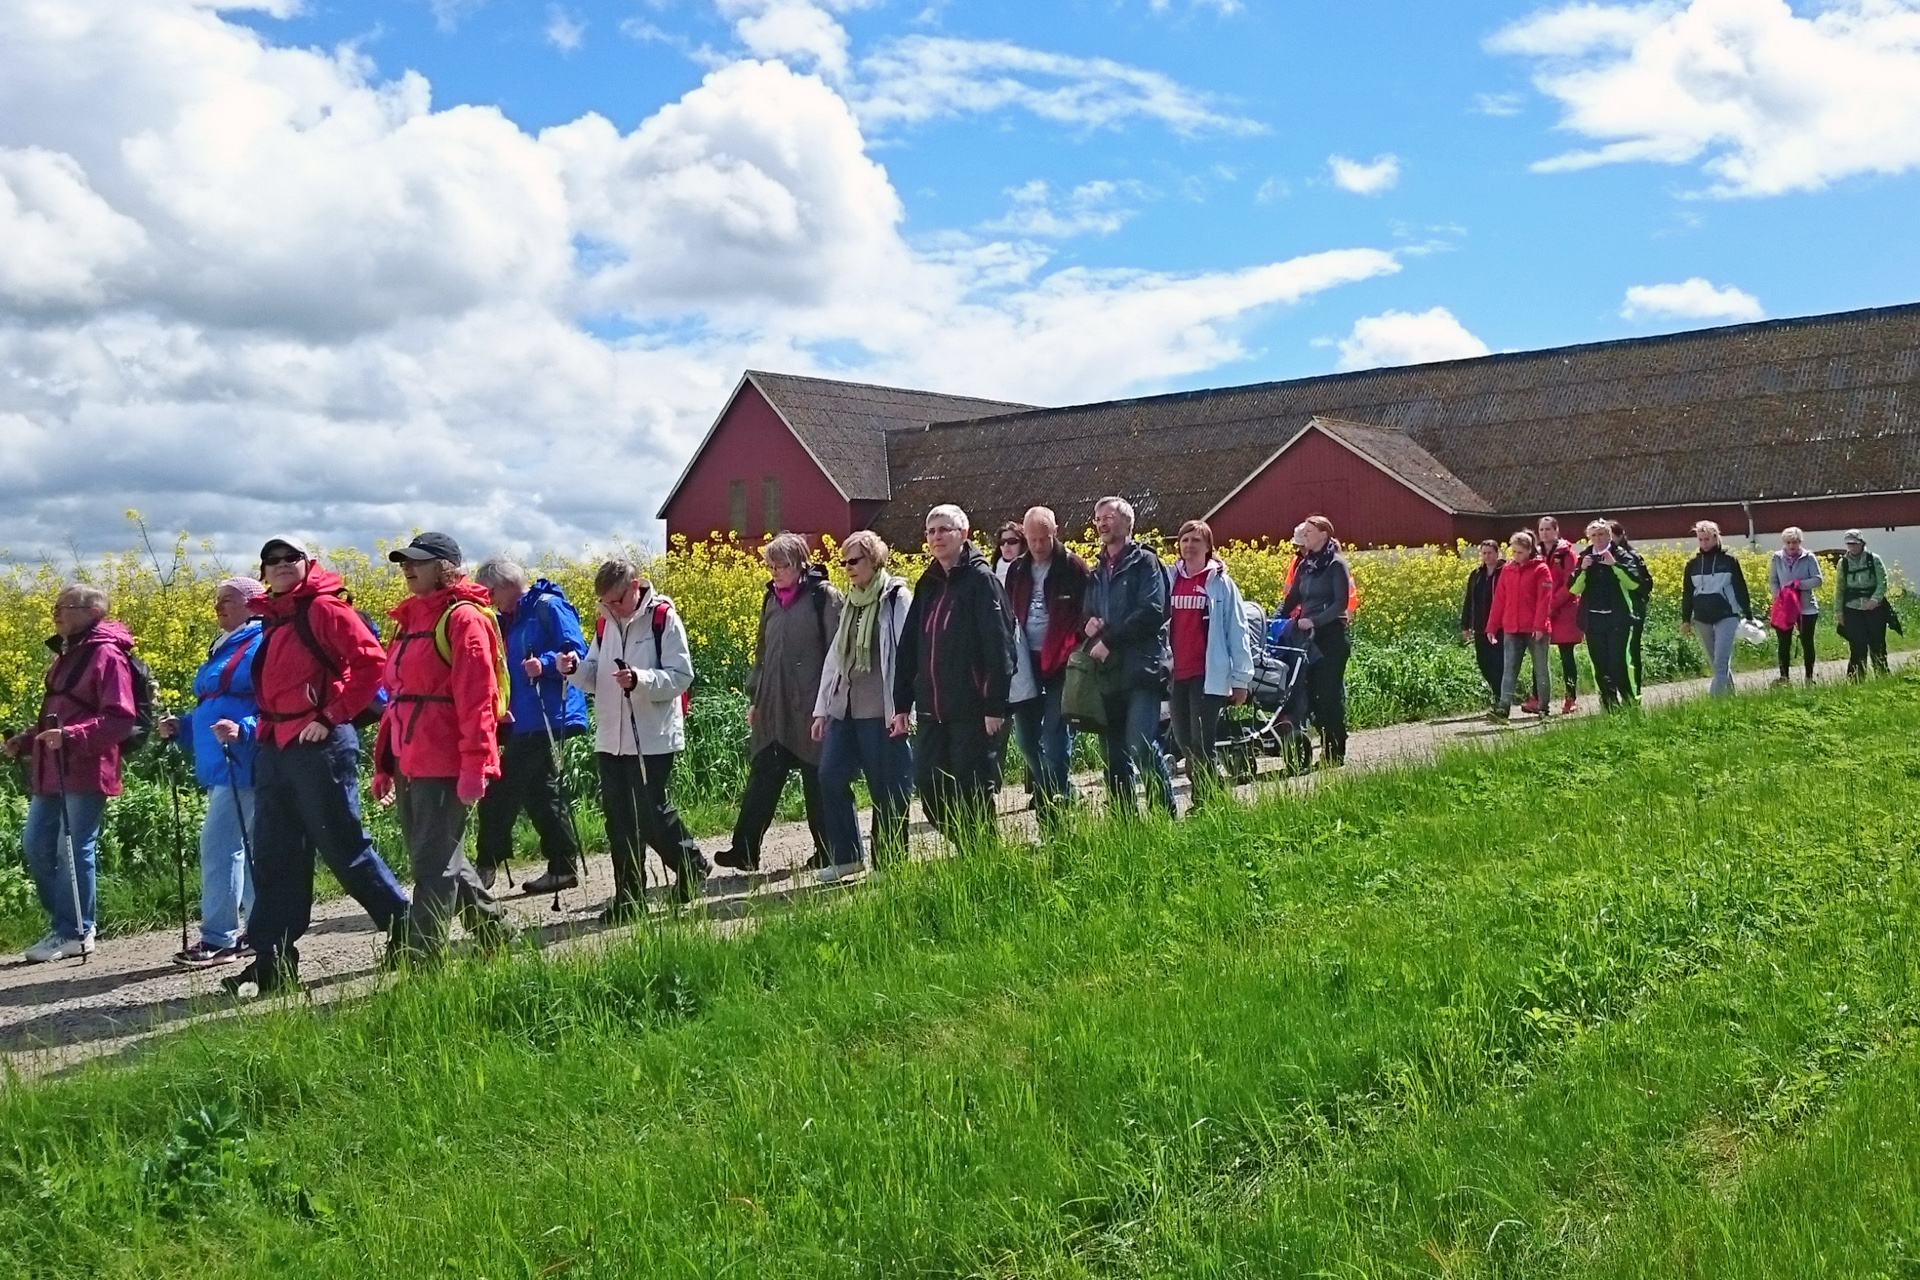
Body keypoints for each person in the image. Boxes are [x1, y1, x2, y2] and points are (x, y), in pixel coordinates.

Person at [225, 539, 409, 996]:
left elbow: (372, 665)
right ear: (264, 571)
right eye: (274, 560)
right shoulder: (273, 616)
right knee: (274, 855)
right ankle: (273, 962)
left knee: (342, 846)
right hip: (277, 746)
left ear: (308, 565)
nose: (283, 565)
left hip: (319, 745)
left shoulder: (324, 609)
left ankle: (407, 930)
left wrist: (330, 716)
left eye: (293, 559)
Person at [372, 534, 513, 963]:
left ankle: (424, 965)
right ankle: (494, 931)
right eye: (404, 563)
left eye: (418, 561)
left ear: (446, 566)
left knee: (432, 865)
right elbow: (396, 696)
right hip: (410, 757)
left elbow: (477, 699)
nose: (408, 568)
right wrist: (384, 762)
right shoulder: (410, 617)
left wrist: (476, 765)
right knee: (440, 853)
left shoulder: (464, 618)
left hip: (447, 758)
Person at [560, 558, 710, 917]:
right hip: (611, 736)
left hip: (652, 735)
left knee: (650, 812)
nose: (611, 608)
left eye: (616, 600)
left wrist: (640, 680)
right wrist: (575, 670)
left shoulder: (662, 618)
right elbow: (596, 676)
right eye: (605, 603)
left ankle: (690, 864)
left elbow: (681, 676)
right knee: (618, 819)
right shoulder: (605, 623)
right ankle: (629, 899)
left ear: (635, 586)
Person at [2, 584, 136, 963]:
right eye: (55, 605)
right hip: (52, 767)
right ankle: (66, 922)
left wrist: (72, 736)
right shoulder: (67, 653)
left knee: (73, 848)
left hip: (86, 766)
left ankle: (75, 930)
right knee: (36, 845)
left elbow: (120, 718)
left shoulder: (107, 655)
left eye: (65, 606)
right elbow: (61, 712)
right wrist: (28, 741)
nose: (56, 612)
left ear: (93, 611)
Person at [713, 533, 842, 873]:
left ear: (800, 563)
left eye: (780, 565)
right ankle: (744, 850)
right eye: (769, 565)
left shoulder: (823, 597)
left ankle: (829, 851)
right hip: (773, 702)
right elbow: (761, 652)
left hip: (810, 705)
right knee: (763, 775)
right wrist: (755, 697)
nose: (774, 572)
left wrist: (829, 705)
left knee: (817, 778)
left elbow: (837, 653)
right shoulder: (771, 598)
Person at [890, 504, 1015, 849]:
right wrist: (902, 704)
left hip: (971, 710)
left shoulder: (981, 581)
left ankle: (984, 860)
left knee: (973, 790)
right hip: (932, 710)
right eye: (931, 531)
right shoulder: (928, 584)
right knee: (929, 787)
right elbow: (910, 647)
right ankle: (971, 848)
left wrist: (995, 705)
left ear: (964, 534)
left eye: (944, 529)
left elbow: (1000, 646)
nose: (936, 537)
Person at [155, 577, 265, 967]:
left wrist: (246, 729)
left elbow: (269, 702)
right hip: (225, 759)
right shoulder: (228, 644)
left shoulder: (258, 643)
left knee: (220, 847)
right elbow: (218, 706)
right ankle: (257, 931)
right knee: (248, 849)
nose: (219, 607)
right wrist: (185, 727)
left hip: (243, 758)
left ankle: (220, 939)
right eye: (217, 600)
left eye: (229, 600)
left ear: (254, 605)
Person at [473, 557, 587, 896]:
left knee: (499, 789)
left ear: (507, 584)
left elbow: (576, 651)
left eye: (491, 591)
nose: (489, 598)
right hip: (520, 718)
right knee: (540, 793)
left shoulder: (548, 606)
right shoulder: (507, 619)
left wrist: (547, 663)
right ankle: (562, 865)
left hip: (547, 715)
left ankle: (486, 864)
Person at [811, 531, 913, 880]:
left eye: (854, 561)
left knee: (887, 785)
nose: (847, 568)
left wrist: (904, 709)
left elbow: (907, 654)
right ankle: (847, 856)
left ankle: (891, 861)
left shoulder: (895, 598)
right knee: (829, 774)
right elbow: (835, 658)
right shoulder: (851, 602)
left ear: (874, 560)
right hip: (846, 708)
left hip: (881, 710)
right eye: (844, 562)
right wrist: (822, 709)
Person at [1082, 496, 1175, 815]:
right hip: (1108, 674)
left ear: (1126, 523)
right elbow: (1088, 610)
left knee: (1140, 746)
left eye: (1108, 517)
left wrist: (1109, 639)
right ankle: (1126, 823)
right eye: (1098, 519)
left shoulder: (1145, 563)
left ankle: (1164, 814)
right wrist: (1088, 623)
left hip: (1141, 669)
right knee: (1113, 755)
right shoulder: (1096, 571)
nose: (1101, 523)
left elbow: (1152, 611)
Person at [1002, 505, 1089, 827]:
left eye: (1044, 538)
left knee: (1054, 737)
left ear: (1055, 533)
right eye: (1033, 539)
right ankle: (1060, 788)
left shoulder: (1072, 567)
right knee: (1025, 741)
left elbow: (1087, 610)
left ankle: (1055, 807)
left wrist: (1075, 642)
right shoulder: (1017, 570)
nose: (1038, 545)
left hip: (1061, 664)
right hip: (1027, 663)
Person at [1165, 520, 1252, 808]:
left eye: (1196, 540)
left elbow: (1237, 630)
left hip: (1208, 675)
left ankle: (1204, 802)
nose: (1189, 545)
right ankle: (1216, 795)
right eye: (1185, 539)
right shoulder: (1170, 579)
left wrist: (1240, 680)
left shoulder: (1220, 583)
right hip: (1177, 674)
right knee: (1185, 741)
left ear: (1208, 547)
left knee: (1202, 743)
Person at [1279, 515, 1353, 766]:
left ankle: (1335, 750)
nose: (1305, 537)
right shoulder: (1305, 565)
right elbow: (1292, 599)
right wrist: (1274, 619)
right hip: (1307, 639)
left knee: (1328, 694)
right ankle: (1325, 740)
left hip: (1331, 635)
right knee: (1309, 693)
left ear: (1323, 535)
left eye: (1309, 532)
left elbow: (1340, 604)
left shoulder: (1336, 565)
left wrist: (1315, 620)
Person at [1571, 520, 1650, 710]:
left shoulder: (1622, 555)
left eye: (1601, 534)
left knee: (1619, 664)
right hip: (1593, 620)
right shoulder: (1585, 557)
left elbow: (1635, 584)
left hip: (1619, 619)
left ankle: (1632, 704)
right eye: (1594, 535)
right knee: (1600, 667)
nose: (1598, 539)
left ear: (1609, 536)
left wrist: (1614, 565)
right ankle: (1609, 705)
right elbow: (1574, 589)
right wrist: (1583, 570)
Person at [1679, 519, 1753, 697]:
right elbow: (1688, 593)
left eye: (1707, 539)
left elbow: (1740, 587)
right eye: (1700, 539)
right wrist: (1686, 619)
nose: (1704, 543)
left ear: (1715, 537)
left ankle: (1714, 701)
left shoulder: (1729, 561)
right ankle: (1731, 697)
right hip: (1702, 616)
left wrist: (1748, 614)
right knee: (1716, 663)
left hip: (1727, 615)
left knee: (1721, 662)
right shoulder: (1692, 565)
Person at [1486, 531, 1554, 721]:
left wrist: (1540, 626)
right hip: (1512, 628)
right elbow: (1499, 599)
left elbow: (1544, 600)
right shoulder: (1508, 570)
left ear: (1529, 550)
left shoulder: (1541, 569)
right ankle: (1503, 709)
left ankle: (1543, 708)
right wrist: (1492, 626)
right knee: (1509, 669)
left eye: (1520, 553)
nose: (1516, 556)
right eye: (1513, 552)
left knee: (1540, 668)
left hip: (1535, 629)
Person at [1536, 516, 1582, 714]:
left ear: (1556, 530)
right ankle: (1536, 697)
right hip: (1543, 611)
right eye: (1541, 529)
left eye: (1548, 529)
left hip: (1565, 611)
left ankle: (1570, 697)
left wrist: (1552, 603)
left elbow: (1571, 584)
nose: (1544, 533)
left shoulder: (1567, 554)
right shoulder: (1536, 554)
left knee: (1566, 655)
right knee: (1538, 655)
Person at [1768, 527, 1823, 686]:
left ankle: (1809, 677)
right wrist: (1779, 595)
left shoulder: (1809, 557)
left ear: (1800, 542)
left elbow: (1818, 580)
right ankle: (1784, 677)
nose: (1792, 546)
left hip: (1806, 607)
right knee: (1783, 642)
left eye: (1795, 542)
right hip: (1785, 607)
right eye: (1789, 542)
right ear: (1784, 543)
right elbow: (1773, 580)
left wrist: (1798, 585)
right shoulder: (1777, 558)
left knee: (1807, 641)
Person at [1835, 529, 1892, 678]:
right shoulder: (1843, 563)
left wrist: (1875, 600)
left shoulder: (1873, 559)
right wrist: (1839, 612)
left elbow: (1883, 581)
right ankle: (1856, 680)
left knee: (1877, 644)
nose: (1852, 547)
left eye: (1854, 543)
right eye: (1849, 544)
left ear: (1861, 543)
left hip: (1874, 609)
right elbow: (1840, 588)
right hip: (1852, 609)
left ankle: (1882, 676)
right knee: (1857, 645)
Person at [1609, 521, 1654, 694]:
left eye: (1610, 535)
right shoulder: (1596, 556)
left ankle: (1634, 692)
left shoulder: (1632, 556)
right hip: (1611, 611)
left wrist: (1638, 600)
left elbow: (1646, 583)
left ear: (1620, 536)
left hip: (1633, 610)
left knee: (1631, 651)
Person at [1459, 539, 1505, 701]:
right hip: (1480, 626)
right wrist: (1465, 625)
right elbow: (1469, 600)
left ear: (1497, 553)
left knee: (1498, 662)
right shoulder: (1476, 574)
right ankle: (1498, 692)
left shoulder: (1505, 572)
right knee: (1483, 662)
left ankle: (1500, 697)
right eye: (1484, 553)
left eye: (1490, 553)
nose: (1487, 556)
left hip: (1501, 627)